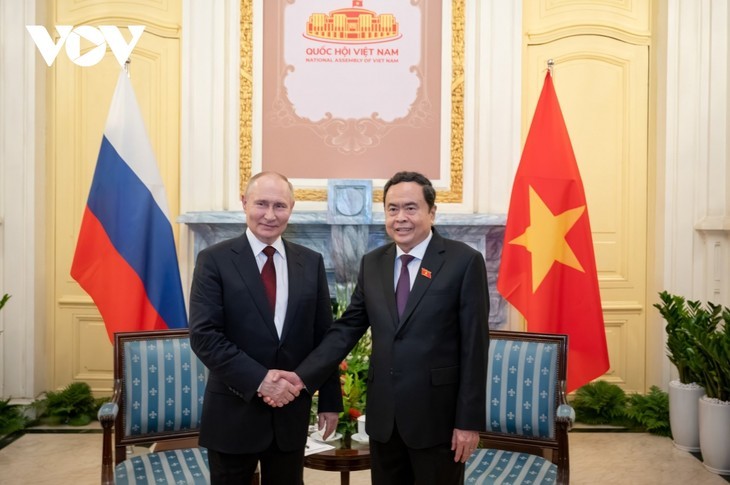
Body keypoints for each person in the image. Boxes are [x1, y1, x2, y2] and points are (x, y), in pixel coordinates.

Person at [272, 171, 490, 484]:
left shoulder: (463, 261)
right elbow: (347, 328)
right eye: (392, 209)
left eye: (411, 208)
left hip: (437, 419)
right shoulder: (374, 262)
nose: (401, 218)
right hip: (385, 419)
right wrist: (302, 376)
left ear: (432, 212)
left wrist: (467, 422)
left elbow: (475, 347)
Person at [188, 171, 341, 485]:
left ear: (291, 208)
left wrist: (329, 401)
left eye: (280, 206)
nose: (270, 215)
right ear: (244, 203)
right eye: (261, 204)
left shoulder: (310, 262)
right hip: (233, 411)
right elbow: (205, 336)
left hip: (290, 415)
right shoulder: (214, 260)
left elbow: (323, 338)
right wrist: (261, 380)